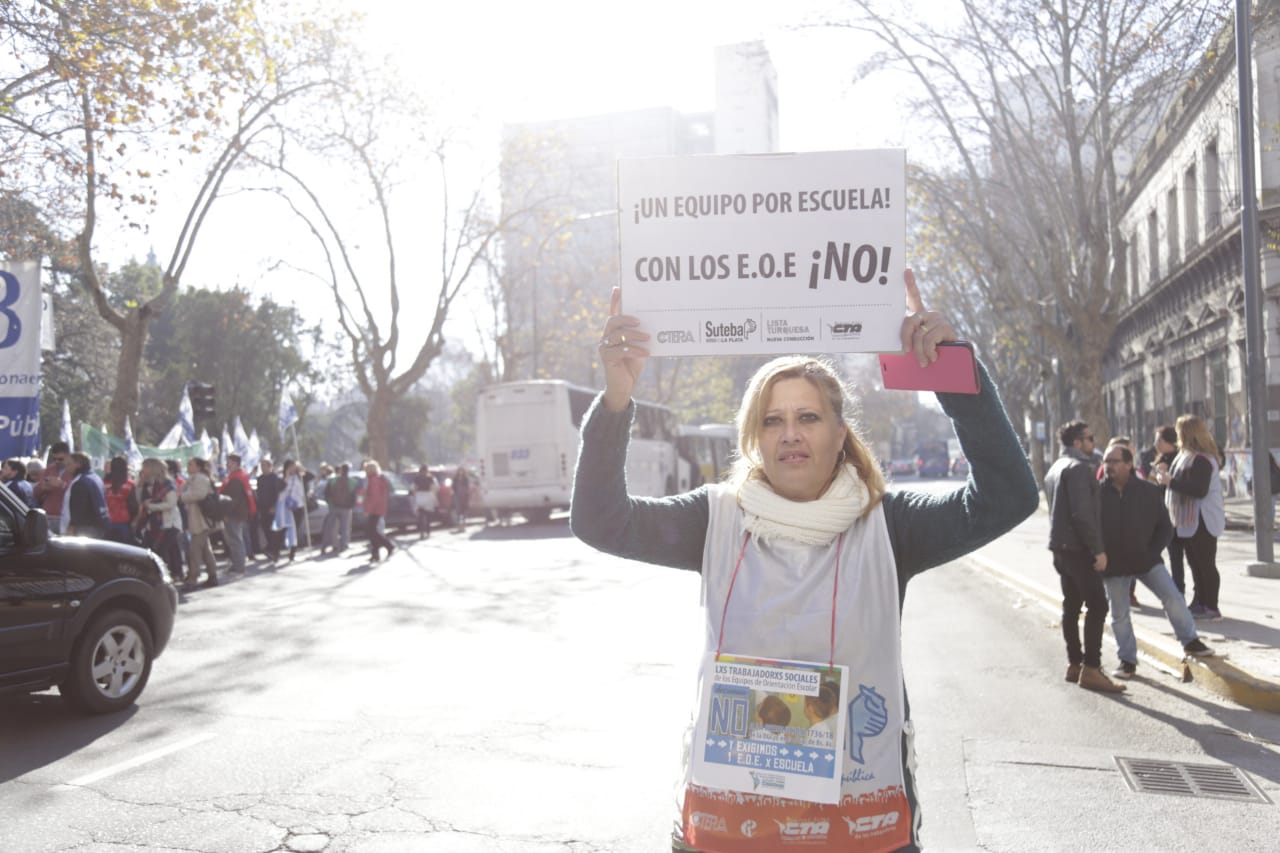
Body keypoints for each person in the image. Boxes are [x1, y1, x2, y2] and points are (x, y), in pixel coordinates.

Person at [571, 274, 1039, 852]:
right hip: (728, 829)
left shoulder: (890, 525)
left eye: (808, 418)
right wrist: (616, 399)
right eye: (773, 420)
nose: (790, 434)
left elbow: (1008, 498)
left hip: (860, 831)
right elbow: (600, 521)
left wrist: (950, 373)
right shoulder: (714, 519)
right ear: (755, 438)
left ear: (841, 434)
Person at [1099, 444, 1214, 679]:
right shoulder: (1097, 493)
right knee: (1119, 614)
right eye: (1106, 461)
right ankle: (1127, 660)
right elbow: (1090, 528)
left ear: (1128, 464)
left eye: (1114, 461)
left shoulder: (1148, 491)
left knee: (1172, 597)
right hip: (1114, 565)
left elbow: (1165, 527)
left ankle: (1191, 641)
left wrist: (1151, 552)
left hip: (1147, 560)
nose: (1108, 466)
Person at [1045, 420, 1124, 693]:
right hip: (1079, 549)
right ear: (1077, 443)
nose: (1094, 442)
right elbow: (1083, 515)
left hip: (1060, 548)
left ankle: (1074, 663)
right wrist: (1098, 550)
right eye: (1090, 438)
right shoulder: (1078, 468)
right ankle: (1091, 667)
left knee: (1071, 605)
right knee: (1098, 605)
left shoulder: (1056, 467)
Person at [1163, 415, 1225, 620]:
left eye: (1179, 431)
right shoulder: (1186, 456)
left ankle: (1211, 605)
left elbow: (1199, 489)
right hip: (1188, 520)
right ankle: (1199, 601)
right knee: (1195, 563)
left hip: (1203, 520)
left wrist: (1170, 482)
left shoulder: (1202, 460)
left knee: (1205, 564)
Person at [1143, 424, 1185, 594]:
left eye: (1159, 440)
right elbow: (1151, 484)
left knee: (1181, 555)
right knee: (1171, 554)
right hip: (1161, 513)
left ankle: (1180, 590)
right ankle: (1175, 589)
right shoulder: (1159, 460)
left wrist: (1167, 478)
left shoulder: (1179, 460)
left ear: (1170, 442)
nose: (1156, 444)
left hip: (1178, 513)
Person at [136, 457, 184, 583]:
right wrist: (140, 485)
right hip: (152, 523)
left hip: (168, 523)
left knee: (161, 550)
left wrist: (152, 506)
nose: (142, 470)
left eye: (145, 467)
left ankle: (165, 578)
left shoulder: (167, 484)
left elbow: (171, 504)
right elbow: (139, 500)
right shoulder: (148, 483)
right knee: (149, 550)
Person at [179, 457, 221, 589]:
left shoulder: (200, 479)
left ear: (198, 467)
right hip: (199, 520)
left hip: (201, 520)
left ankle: (193, 579)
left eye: (190, 464)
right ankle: (212, 576)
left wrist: (181, 497)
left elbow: (198, 495)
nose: (188, 467)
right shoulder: (194, 478)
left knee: (194, 550)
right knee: (205, 550)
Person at [220, 453, 257, 575]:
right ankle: (237, 564)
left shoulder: (236, 479)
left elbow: (232, 500)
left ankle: (239, 566)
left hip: (234, 514)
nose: (227, 465)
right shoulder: (239, 476)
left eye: (229, 462)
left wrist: (225, 513)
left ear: (236, 463)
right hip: (238, 513)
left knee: (235, 540)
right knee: (235, 540)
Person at [63, 452, 110, 538]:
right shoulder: (96, 478)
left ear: (78, 464)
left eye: (69, 465)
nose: (66, 468)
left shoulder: (80, 481)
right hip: (99, 526)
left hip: (84, 529)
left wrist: (72, 526)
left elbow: (79, 507)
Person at [34, 440, 74, 533]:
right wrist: (43, 487)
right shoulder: (50, 469)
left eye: (60, 459)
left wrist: (62, 485)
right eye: (54, 459)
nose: (57, 461)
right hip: (48, 515)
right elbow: (35, 492)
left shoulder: (74, 470)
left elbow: (78, 491)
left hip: (65, 517)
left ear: (68, 456)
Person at [361, 459, 397, 561]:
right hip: (378, 507)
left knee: (371, 531)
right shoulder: (376, 479)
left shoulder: (373, 480)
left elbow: (374, 497)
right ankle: (376, 552)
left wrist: (368, 509)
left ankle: (387, 546)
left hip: (375, 508)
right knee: (372, 531)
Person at [273, 458, 305, 563]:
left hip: (297, 507)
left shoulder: (298, 477)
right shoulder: (280, 478)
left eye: (294, 467)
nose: (293, 469)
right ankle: (276, 553)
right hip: (285, 508)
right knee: (282, 531)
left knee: (295, 531)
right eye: (291, 467)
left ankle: (292, 554)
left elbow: (310, 476)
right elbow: (279, 489)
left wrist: (300, 468)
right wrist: (286, 477)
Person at [321, 462, 358, 554]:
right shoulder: (353, 482)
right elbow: (354, 496)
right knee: (345, 527)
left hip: (334, 507)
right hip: (347, 508)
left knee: (331, 527)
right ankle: (344, 544)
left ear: (340, 470)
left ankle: (329, 545)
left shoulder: (332, 480)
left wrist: (331, 504)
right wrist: (351, 506)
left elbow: (326, 494)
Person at [103, 455, 139, 544]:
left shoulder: (103, 483)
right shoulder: (130, 484)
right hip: (123, 522)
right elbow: (133, 506)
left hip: (106, 521)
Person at [256, 457, 284, 561]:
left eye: (264, 465)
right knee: (266, 530)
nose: (262, 468)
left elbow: (278, 493)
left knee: (274, 532)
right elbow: (259, 494)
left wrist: (275, 506)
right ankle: (270, 550)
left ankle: (275, 552)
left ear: (270, 466)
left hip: (273, 508)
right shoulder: (260, 479)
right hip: (263, 508)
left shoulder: (275, 478)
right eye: (261, 466)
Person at [410, 464, 437, 539]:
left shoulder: (416, 478)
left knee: (421, 516)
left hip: (420, 496)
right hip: (428, 496)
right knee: (428, 516)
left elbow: (413, 488)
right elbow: (433, 488)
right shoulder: (430, 478)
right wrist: (434, 497)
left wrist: (415, 496)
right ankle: (427, 531)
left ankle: (422, 532)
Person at [452, 465, 471, 532]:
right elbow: (453, 487)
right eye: (459, 471)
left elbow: (468, 488)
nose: (461, 472)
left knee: (464, 512)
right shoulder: (455, 479)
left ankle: (463, 526)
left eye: (462, 471)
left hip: (464, 496)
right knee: (458, 512)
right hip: (457, 496)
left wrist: (467, 494)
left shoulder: (466, 479)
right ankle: (459, 527)